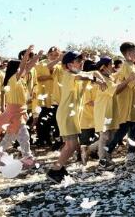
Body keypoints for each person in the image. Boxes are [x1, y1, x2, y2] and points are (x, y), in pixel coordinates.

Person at [46, 52, 107, 183]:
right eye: (78, 60)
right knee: (72, 145)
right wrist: (96, 80)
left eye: (81, 60)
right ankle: (54, 170)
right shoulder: (68, 75)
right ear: (69, 65)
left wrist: (101, 79)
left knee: (71, 145)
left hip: (72, 115)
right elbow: (82, 77)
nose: (81, 62)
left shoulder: (80, 73)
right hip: (66, 114)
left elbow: (94, 72)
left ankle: (59, 168)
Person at [0, 48, 42, 169]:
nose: (25, 69)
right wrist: (27, 53)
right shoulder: (14, 79)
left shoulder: (19, 80)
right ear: (16, 70)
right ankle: (27, 158)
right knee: (24, 136)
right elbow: (24, 66)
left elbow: (27, 67)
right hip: (15, 113)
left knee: (9, 137)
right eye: (21, 68)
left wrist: (37, 56)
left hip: (17, 111)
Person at [106, 43, 135, 160]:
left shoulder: (133, 66)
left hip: (134, 103)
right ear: (128, 53)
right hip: (126, 104)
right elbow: (134, 83)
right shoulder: (126, 66)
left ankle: (129, 153)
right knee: (125, 129)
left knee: (134, 127)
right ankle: (109, 150)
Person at [34, 47, 62, 147]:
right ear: (48, 54)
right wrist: (50, 77)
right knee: (43, 119)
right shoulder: (41, 63)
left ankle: (55, 139)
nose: (54, 57)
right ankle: (43, 140)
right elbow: (37, 77)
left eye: (56, 55)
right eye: (52, 55)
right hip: (44, 96)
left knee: (55, 120)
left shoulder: (61, 65)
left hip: (57, 96)